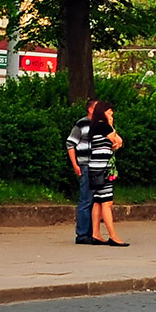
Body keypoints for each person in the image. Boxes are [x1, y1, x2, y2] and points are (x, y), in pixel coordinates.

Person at [87, 101, 129, 246]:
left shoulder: (94, 126)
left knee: (98, 201)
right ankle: (113, 236)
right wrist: (111, 125)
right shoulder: (103, 126)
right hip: (102, 168)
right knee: (107, 202)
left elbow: (117, 143)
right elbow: (118, 140)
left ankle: (96, 234)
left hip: (95, 167)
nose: (111, 113)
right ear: (102, 112)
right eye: (109, 111)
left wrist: (115, 142)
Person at [66, 98, 96, 244]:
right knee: (86, 199)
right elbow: (70, 144)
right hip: (85, 164)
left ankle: (93, 233)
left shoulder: (102, 125)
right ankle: (82, 234)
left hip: (98, 165)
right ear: (90, 109)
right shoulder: (82, 124)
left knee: (95, 201)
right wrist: (75, 165)